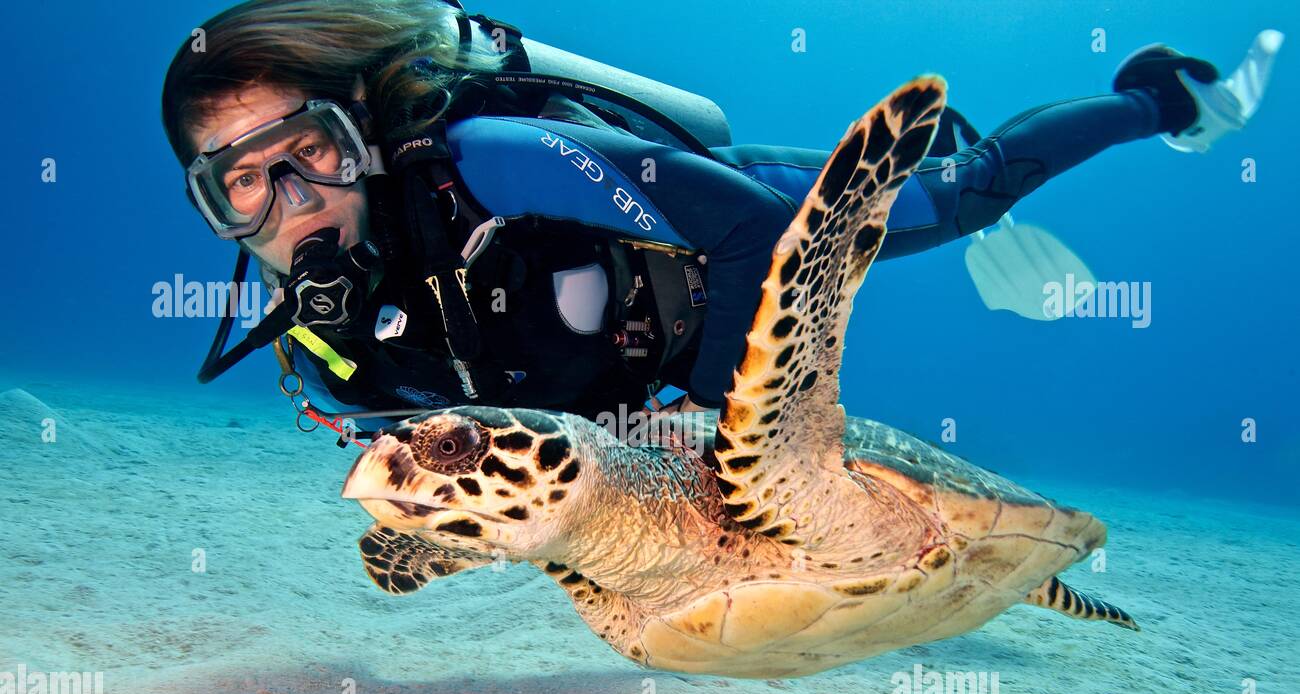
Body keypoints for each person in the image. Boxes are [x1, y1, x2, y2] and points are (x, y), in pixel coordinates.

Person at [161, 0, 1280, 434]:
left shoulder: (490, 161)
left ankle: (1159, 95)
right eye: (240, 183)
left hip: (709, 205)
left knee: (956, 198)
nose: (289, 202)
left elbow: (748, 231)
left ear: (361, 130)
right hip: (639, 305)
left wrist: (703, 418)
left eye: (308, 150)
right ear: (214, 206)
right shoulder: (309, 338)